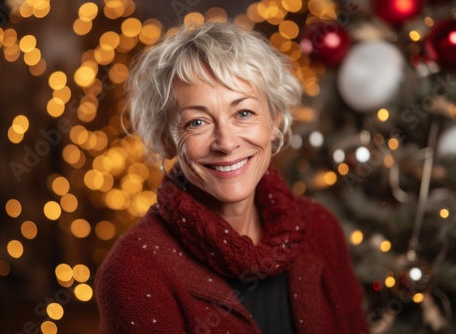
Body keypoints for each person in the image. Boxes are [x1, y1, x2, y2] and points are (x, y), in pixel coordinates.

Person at [96, 21, 368, 334]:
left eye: (243, 113)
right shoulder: (136, 270)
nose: (226, 143)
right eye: (197, 122)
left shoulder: (321, 228)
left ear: (275, 120)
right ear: (166, 139)